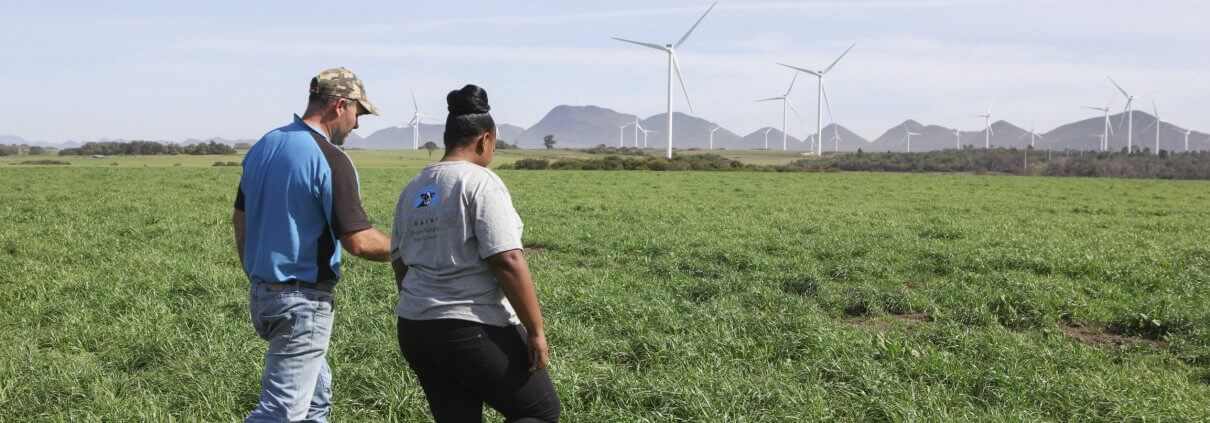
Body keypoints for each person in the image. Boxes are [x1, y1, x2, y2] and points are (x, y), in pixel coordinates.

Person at [391, 85, 561, 422]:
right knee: (540, 412)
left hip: (415, 328)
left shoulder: (414, 188)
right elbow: (506, 260)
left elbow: (399, 259)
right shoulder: (481, 182)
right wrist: (536, 331)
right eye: (494, 144)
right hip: (470, 327)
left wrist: (424, 304)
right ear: (485, 139)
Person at [233, 67, 391, 422]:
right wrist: (412, 249)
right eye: (358, 113)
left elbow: (239, 219)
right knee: (281, 414)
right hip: (301, 303)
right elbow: (360, 241)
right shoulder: (331, 158)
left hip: (264, 294)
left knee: (315, 404)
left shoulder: (266, 144)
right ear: (339, 105)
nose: (357, 125)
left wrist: (258, 275)